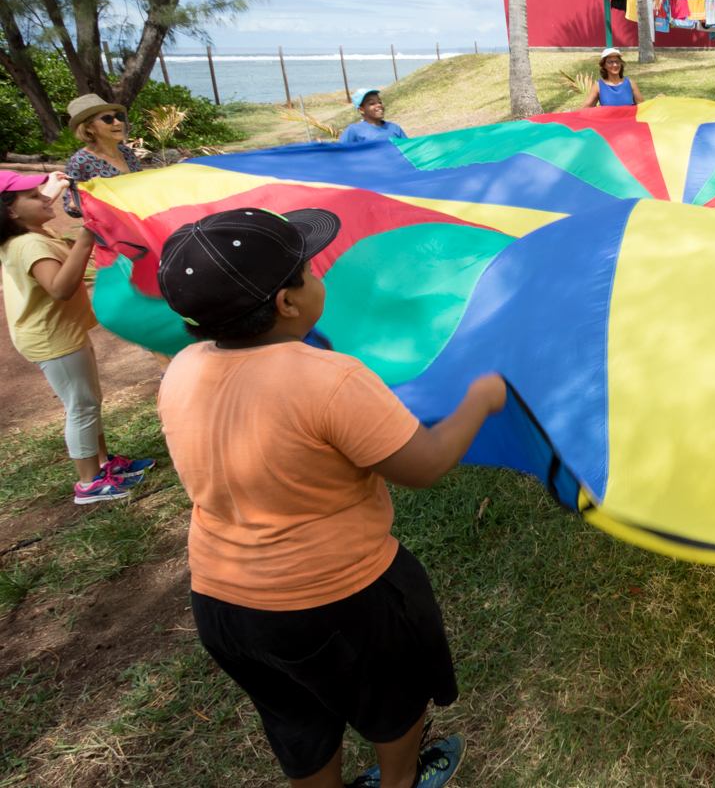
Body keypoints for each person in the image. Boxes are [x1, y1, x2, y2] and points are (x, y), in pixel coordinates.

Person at [155, 206, 507, 788]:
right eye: (309, 270)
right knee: (392, 704)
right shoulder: (329, 378)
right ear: (288, 304)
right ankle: (400, 782)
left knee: (296, 721)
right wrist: (480, 399)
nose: (320, 275)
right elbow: (422, 466)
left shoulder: (183, 367)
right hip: (334, 600)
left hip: (221, 602)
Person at [1, 171, 154, 504]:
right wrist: (86, 238)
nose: (45, 198)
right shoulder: (29, 244)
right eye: (34, 196)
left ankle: (102, 465)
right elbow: (59, 288)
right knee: (81, 405)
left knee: (88, 400)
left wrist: (52, 189)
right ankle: (89, 483)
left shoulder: (28, 231)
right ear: (11, 211)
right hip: (52, 339)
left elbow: (36, 205)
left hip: (59, 332)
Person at [63, 94, 143, 217]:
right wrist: (94, 194)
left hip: (142, 221)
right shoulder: (80, 161)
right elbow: (71, 207)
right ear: (89, 127)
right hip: (112, 230)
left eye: (119, 117)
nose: (117, 122)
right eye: (108, 119)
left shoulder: (127, 153)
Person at [339, 89, 408, 144]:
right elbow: (340, 153)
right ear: (361, 110)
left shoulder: (394, 128)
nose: (378, 105)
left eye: (380, 102)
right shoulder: (354, 130)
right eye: (372, 103)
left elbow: (409, 150)